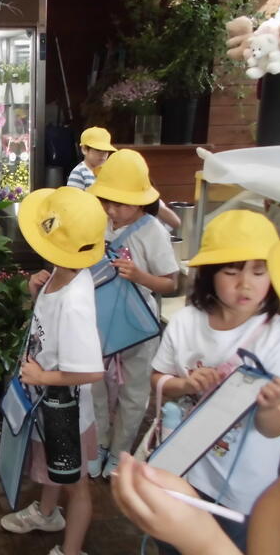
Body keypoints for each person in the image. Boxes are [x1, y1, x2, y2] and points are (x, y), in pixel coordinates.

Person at [112, 236, 280, 555]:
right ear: (209, 275)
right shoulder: (186, 321)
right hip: (182, 470)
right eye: (231, 271)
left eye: (258, 272)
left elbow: (274, 428)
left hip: (242, 491)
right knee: (171, 545)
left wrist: (272, 406)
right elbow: (158, 380)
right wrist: (185, 385)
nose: (245, 284)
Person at [0, 186, 107, 555]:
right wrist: (36, 294)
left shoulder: (75, 301)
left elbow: (91, 371)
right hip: (47, 403)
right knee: (53, 467)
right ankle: (47, 514)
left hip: (67, 411)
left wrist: (43, 377)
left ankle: (71, 550)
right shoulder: (61, 273)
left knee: (76, 484)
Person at [85, 149, 179, 479]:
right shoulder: (99, 222)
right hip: (99, 318)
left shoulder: (153, 231)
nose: (112, 210)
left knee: (134, 393)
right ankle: (99, 443)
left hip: (138, 326)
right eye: (107, 201)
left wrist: (139, 276)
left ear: (141, 201)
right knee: (94, 384)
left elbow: (170, 283)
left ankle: (120, 452)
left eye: (121, 203)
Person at [66, 127, 181, 230]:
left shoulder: (113, 170)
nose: (103, 155)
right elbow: (72, 206)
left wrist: (152, 203)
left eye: (106, 151)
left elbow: (175, 222)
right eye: (98, 150)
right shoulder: (79, 172)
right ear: (84, 149)